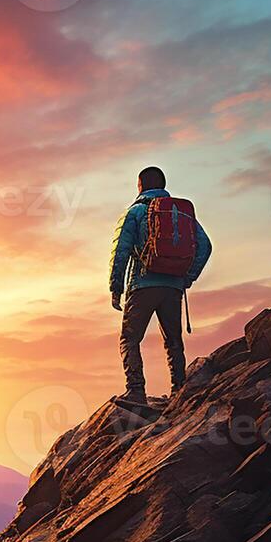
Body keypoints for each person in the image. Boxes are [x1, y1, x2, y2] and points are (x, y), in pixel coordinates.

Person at [108, 167, 212, 405]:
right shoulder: (182, 214)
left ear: (141, 186)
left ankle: (135, 391)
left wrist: (116, 287)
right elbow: (205, 246)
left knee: (130, 338)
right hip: (173, 287)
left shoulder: (135, 212)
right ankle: (179, 390)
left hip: (142, 285)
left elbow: (121, 250)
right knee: (173, 340)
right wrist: (187, 277)